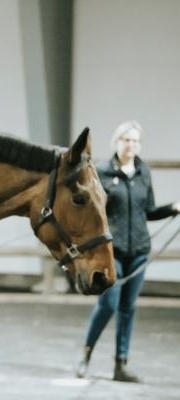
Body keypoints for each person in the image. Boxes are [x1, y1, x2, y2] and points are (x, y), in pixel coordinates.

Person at [75, 120, 180, 382]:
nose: (131, 145)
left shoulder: (143, 173)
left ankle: (120, 364)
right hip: (112, 252)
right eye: (126, 140)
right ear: (117, 142)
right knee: (108, 304)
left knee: (128, 308)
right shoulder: (102, 173)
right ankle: (86, 354)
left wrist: (173, 208)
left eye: (135, 141)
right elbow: (93, 214)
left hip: (139, 252)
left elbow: (149, 211)